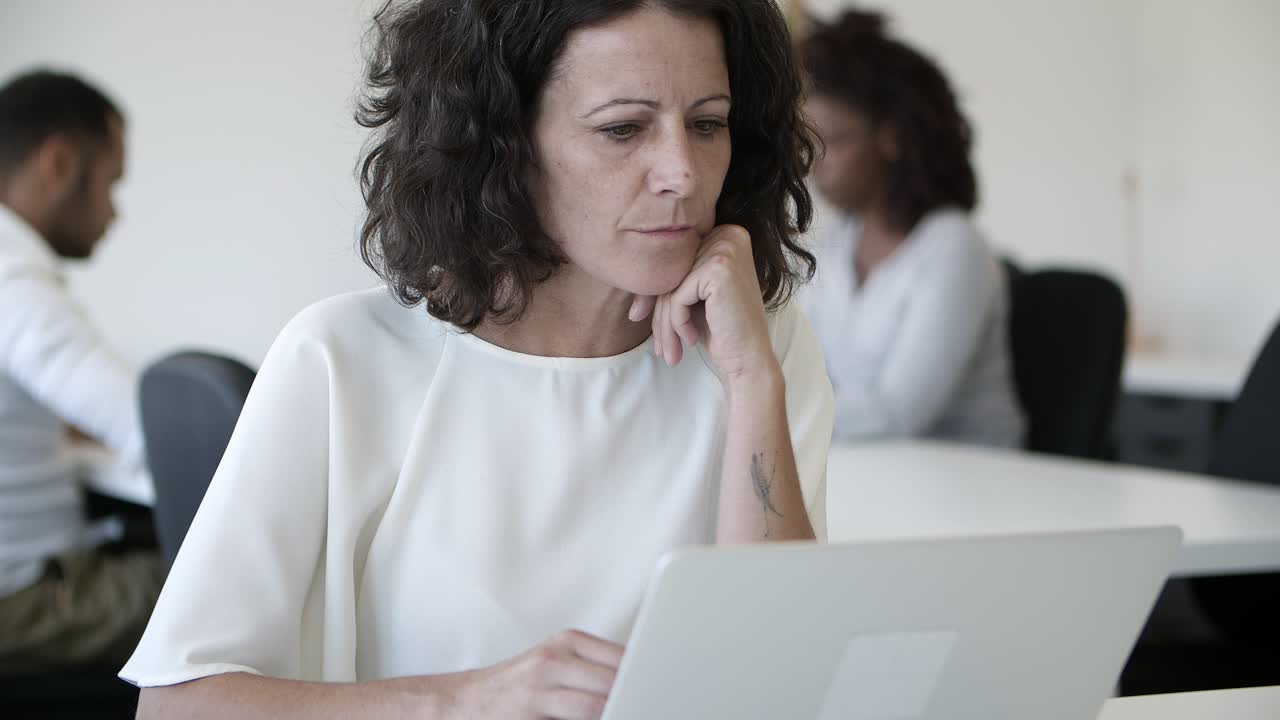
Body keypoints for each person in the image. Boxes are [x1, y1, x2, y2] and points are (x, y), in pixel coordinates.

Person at [124, 1, 834, 717]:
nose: (682, 172)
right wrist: (464, 701)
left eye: (708, 124)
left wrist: (751, 382)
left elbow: (781, 679)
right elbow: (176, 705)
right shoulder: (340, 360)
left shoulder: (759, 348)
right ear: (502, 142)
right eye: (623, 128)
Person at [799, 10, 1024, 447]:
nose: (813, 164)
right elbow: (804, 369)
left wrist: (767, 416)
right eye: (809, 144)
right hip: (879, 476)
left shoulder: (954, 247)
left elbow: (897, 413)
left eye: (836, 142)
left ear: (892, 137)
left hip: (974, 488)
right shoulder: (837, 242)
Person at [0, 69, 160, 672]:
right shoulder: (13, 280)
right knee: (232, 590)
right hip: (23, 600)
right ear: (59, 164)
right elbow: (144, 426)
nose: (113, 213)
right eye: (110, 184)